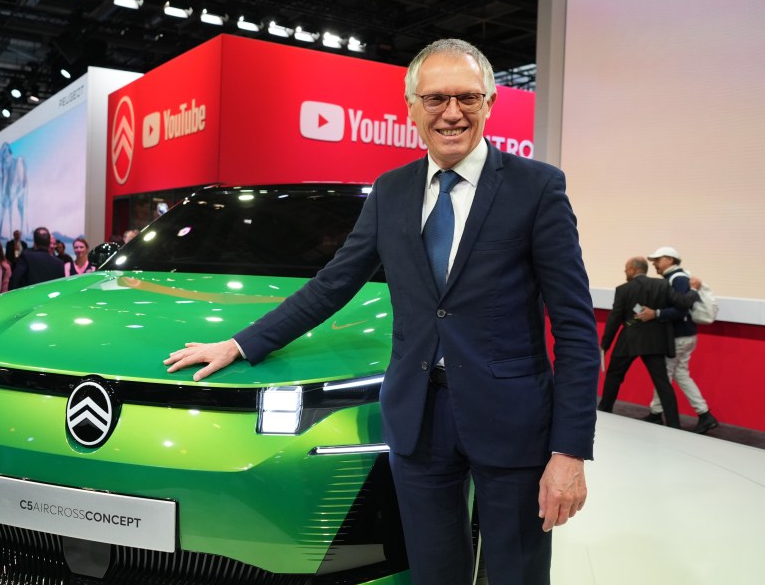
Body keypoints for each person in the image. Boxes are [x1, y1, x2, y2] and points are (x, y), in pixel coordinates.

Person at [165, 39, 601, 585]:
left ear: (489, 103)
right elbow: (332, 285)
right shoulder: (391, 191)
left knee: (516, 573)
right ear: (411, 107)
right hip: (418, 421)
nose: (452, 113)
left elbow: (576, 328)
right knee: (433, 573)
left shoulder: (536, 188)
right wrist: (239, 343)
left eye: (467, 97)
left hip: (512, 419)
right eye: (436, 98)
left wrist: (569, 452)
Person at [597, 257, 699, 428]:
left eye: (625, 268)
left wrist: (605, 344)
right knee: (662, 383)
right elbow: (682, 303)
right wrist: (694, 290)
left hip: (629, 340)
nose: (624, 272)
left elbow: (614, 319)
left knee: (614, 378)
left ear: (632, 270)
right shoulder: (662, 285)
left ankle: (604, 413)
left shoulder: (623, 289)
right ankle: (674, 424)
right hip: (655, 342)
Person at [638, 246, 719, 434]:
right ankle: (704, 414)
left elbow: (682, 308)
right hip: (686, 335)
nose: (655, 264)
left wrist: (656, 313)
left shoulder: (678, 279)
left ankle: (656, 413)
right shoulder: (678, 278)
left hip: (678, 336)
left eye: (658, 260)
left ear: (670, 260)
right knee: (680, 374)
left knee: (663, 376)